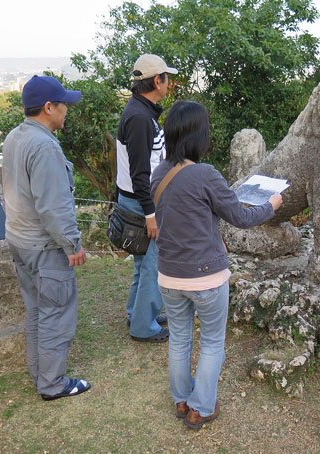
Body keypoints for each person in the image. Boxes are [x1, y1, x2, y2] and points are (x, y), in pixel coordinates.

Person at [151, 100, 283, 429]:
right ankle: (201, 408)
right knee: (211, 342)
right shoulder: (205, 174)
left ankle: (182, 401)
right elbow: (240, 216)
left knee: (180, 340)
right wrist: (272, 204)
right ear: (200, 135)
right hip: (206, 277)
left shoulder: (158, 174)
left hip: (169, 275)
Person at [3, 75, 90, 401]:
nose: (67, 110)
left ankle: (39, 371)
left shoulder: (15, 136)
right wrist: (73, 245)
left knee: (37, 308)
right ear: (49, 107)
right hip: (44, 244)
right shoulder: (45, 146)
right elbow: (52, 206)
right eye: (64, 104)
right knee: (56, 310)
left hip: (19, 238)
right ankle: (52, 384)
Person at [116, 54, 178, 343]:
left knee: (142, 263)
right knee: (153, 265)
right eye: (167, 77)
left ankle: (137, 313)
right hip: (142, 203)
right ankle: (144, 326)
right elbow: (140, 173)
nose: (170, 83)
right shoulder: (141, 118)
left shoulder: (139, 111)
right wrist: (150, 213)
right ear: (157, 81)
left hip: (135, 200)